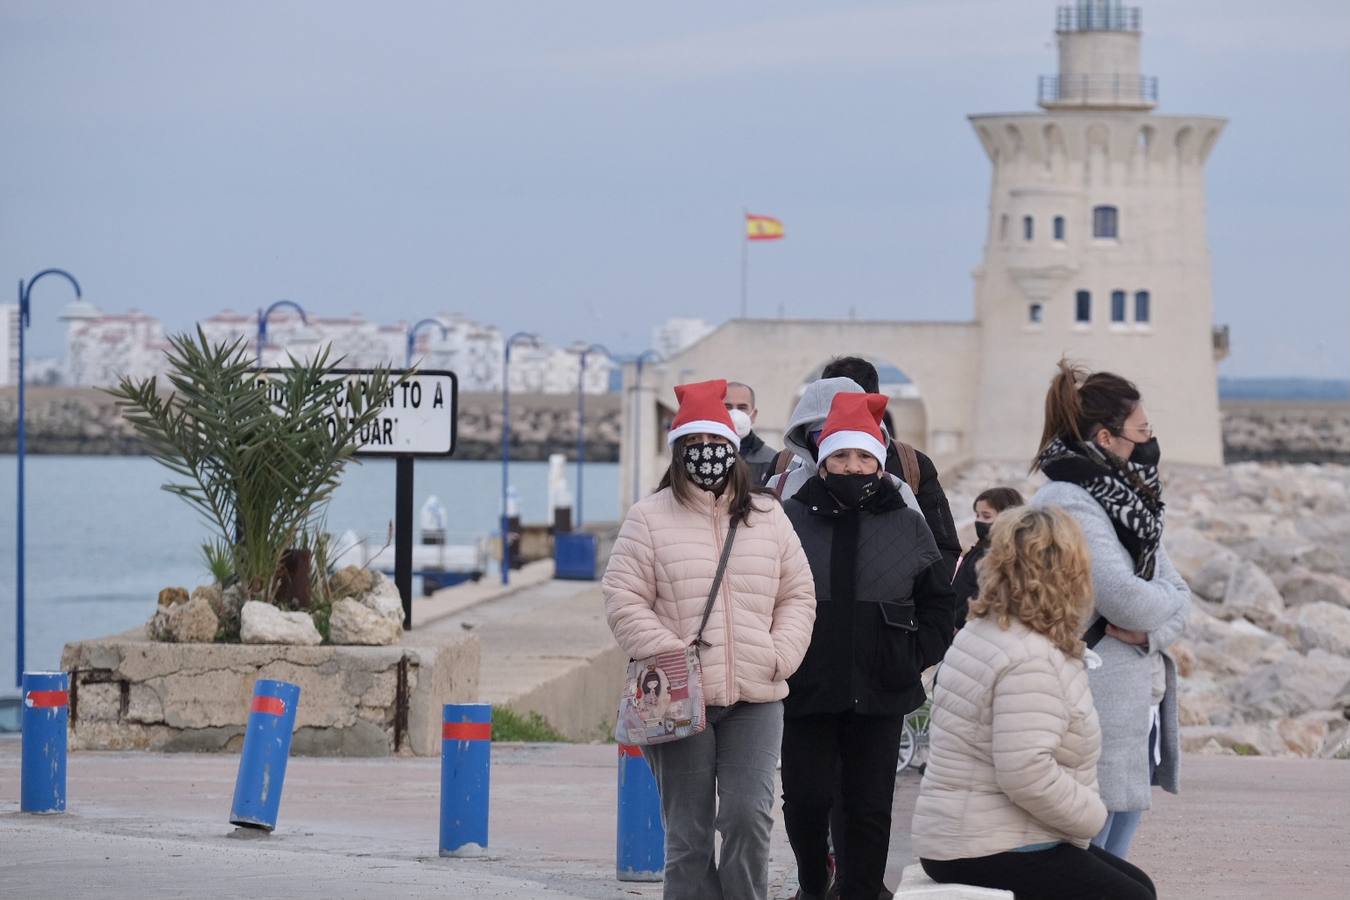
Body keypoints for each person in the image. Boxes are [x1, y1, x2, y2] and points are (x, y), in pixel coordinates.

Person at [603, 378, 817, 900]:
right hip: (679, 698)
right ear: (678, 453)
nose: (707, 456)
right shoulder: (647, 517)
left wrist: (780, 654)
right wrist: (670, 654)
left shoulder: (769, 516)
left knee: (748, 818)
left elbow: (798, 595)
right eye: (695, 447)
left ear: (734, 449)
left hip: (755, 695)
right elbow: (622, 597)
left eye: (717, 445)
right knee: (688, 834)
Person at [912, 506, 1157, 900]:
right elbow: (1026, 771)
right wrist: (1092, 815)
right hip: (983, 843)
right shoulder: (1028, 656)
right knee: (1132, 897)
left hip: (968, 832)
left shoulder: (987, 631)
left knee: (1137, 886)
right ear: (1068, 574)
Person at [780, 392, 955, 900]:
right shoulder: (788, 518)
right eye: (840, 456)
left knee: (870, 807)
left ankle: (860, 892)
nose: (852, 466)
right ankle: (814, 886)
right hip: (807, 687)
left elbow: (938, 603)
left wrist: (911, 656)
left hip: (882, 689)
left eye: (863, 457)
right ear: (823, 460)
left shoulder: (907, 520)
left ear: (878, 461)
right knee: (807, 802)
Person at [1029, 360, 1191, 860]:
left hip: (1128, 703)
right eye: (1140, 433)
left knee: (1115, 852)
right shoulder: (1069, 500)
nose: (1147, 444)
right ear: (1105, 437)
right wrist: (1162, 609)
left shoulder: (1129, 504)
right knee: (1086, 852)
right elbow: (1123, 597)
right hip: (1091, 700)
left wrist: (1151, 635)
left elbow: (1178, 596)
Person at [818, 356, 961, 578]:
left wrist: (912, 603)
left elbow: (942, 547)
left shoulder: (911, 464)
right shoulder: (788, 465)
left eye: (865, 457)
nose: (853, 467)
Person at [950, 487, 1025, 627]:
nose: (979, 521)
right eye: (977, 515)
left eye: (986, 516)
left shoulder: (1002, 556)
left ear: (1007, 517)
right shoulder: (979, 548)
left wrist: (958, 621)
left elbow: (983, 593)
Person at [725, 381, 779, 486]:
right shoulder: (706, 455)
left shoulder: (771, 459)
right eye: (727, 407)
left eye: (742, 408)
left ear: (753, 415)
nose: (735, 414)